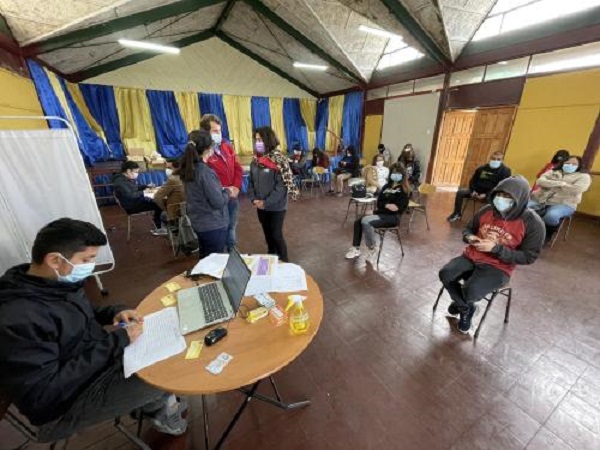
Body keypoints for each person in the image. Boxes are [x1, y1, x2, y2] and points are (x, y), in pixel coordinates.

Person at [0, 218, 187, 441]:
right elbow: (44, 392)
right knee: (167, 376)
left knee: (166, 351)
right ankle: (158, 406)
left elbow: (82, 312)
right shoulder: (17, 318)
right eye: (86, 259)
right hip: (66, 403)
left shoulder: (52, 282)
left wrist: (114, 312)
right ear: (54, 260)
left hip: (98, 362)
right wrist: (116, 342)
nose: (91, 266)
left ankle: (154, 404)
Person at [439, 176, 545, 333]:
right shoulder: (486, 210)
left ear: (520, 199)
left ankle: (461, 303)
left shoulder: (533, 223)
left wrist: (496, 249)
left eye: (508, 197)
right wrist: (470, 237)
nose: (501, 199)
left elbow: (529, 257)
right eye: (499, 194)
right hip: (471, 256)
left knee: (471, 291)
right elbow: (467, 230)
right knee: (446, 274)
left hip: (499, 266)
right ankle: (466, 309)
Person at [248, 127, 299, 262]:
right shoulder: (255, 161)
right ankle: (272, 255)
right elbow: (251, 182)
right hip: (260, 206)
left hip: (277, 206)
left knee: (276, 234)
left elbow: (281, 187)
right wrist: (254, 199)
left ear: (268, 140)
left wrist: (265, 202)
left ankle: (285, 260)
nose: (257, 143)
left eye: (260, 140)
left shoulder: (280, 161)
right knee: (267, 233)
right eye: (256, 140)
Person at [345, 163, 410, 262]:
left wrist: (383, 206)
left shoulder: (404, 190)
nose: (395, 174)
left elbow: (397, 208)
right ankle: (356, 248)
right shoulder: (386, 187)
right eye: (394, 172)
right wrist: (383, 207)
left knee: (366, 221)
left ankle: (372, 248)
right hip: (382, 214)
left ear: (402, 175)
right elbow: (380, 203)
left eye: (398, 173)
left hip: (393, 218)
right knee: (358, 221)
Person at [180, 130, 230, 259]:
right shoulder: (204, 172)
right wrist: (227, 192)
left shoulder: (189, 168)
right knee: (215, 262)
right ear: (208, 149)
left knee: (205, 259)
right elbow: (218, 202)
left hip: (199, 222)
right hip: (212, 224)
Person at [200, 114, 243, 252]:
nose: (219, 134)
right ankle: (222, 257)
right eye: (215, 131)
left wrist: (236, 187)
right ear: (205, 132)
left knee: (231, 226)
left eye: (220, 130)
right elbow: (205, 179)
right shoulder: (203, 152)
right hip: (216, 199)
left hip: (232, 196)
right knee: (220, 230)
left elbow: (238, 167)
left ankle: (232, 253)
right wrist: (223, 191)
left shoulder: (227, 146)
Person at [529, 156, 591, 242]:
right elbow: (540, 181)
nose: (570, 165)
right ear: (563, 163)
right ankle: (527, 231)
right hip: (542, 198)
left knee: (551, 216)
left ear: (579, 165)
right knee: (523, 208)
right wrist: (560, 183)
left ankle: (547, 234)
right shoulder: (553, 171)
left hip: (565, 203)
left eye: (574, 164)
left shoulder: (584, 176)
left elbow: (577, 189)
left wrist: (551, 184)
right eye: (567, 163)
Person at [447, 151, 512, 223]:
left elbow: (501, 186)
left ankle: (485, 220)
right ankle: (457, 213)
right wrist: (473, 191)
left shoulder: (505, 171)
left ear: (502, 160)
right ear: (490, 158)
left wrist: (486, 194)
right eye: (493, 158)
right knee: (460, 192)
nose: (495, 161)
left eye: (498, 159)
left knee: (492, 200)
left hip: (491, 193)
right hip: (476, 191)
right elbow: (472, 181)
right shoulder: (482, 168)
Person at [112, 161, 166, 235]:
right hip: (131, 206)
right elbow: (131, 195)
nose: (137, 174)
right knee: (158, 204)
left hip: (134, 201)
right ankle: (159, 228)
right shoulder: (120, 182)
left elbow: (135, 188)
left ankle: (158, 223)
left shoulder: (124, 178)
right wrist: (144, 192)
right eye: (136, 172)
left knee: (155, 201)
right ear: (128, 171)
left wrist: (146, 186)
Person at [153, 159, 185, 226]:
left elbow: (156, 197)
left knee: (161, 213)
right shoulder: (191, 177)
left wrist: (165, 209)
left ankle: (161, 228)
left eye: (169, 168)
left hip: (177, 212)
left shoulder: (173, 180)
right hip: (190, 211)